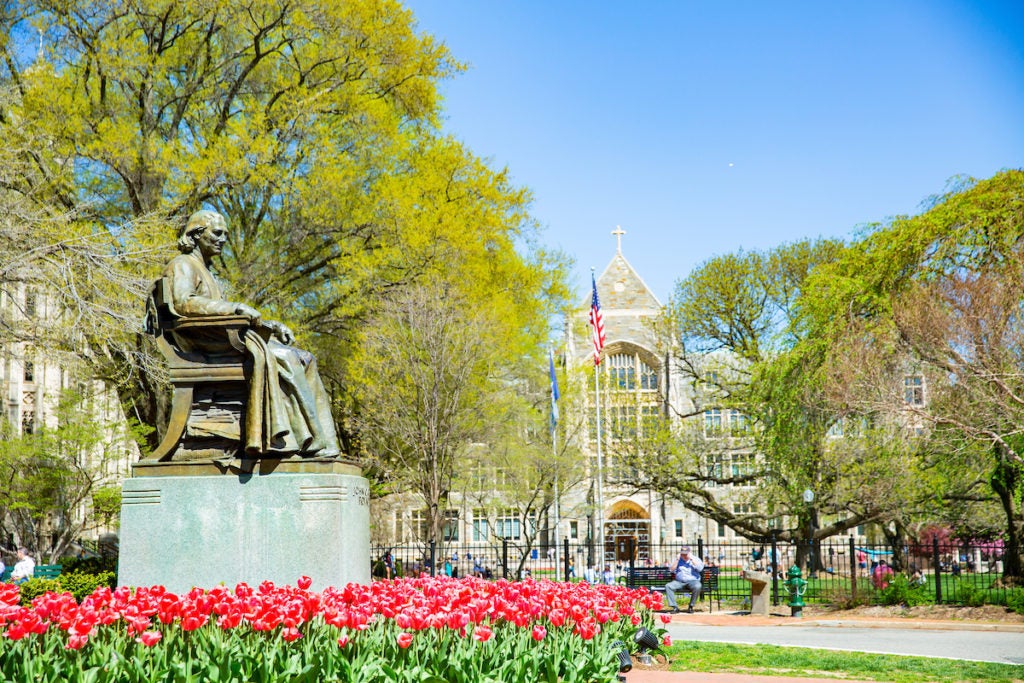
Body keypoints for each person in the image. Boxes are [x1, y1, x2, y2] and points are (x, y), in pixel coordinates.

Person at [151, 210, 340, 457]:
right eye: (216, 233)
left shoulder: (205, 270)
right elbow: (184, 302)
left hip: (220, 340)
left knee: (306, 358)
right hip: (204, 346)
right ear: (197, 234)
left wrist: (270, 326)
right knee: (284, 358)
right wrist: (234, 307)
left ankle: (321, 442)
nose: (223, 239)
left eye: (226, 235)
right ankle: (288, 442)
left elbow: (223, 313)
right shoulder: (182, 265)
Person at [665, 546, 704, 614]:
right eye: (683, 554)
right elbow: (671, 569)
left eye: (686, 554)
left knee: (698, 586)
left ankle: (691, 606)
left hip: (693, 581)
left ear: (689, 553)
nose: (684, 556)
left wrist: (692, 560)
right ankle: (675, 607)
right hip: (679, 581)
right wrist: (677, 560)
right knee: (668, 586)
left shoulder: (695, 559)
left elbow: (700, 569)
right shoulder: (678, 559)